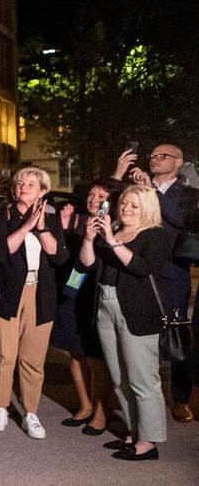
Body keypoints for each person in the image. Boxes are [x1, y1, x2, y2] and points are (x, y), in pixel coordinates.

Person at [78, 185, 171, 461]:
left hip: (136, 310)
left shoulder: (155, 235)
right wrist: (88, 238)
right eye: (124, 204)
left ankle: (149, 441)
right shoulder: (115, 229)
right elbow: (86, 265)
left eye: (134, 205)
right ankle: (134, 431)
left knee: (143, 379)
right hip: (105, 305)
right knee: (119, 378)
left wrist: (112, 240)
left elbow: (142, 268)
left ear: (148, 209)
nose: (126, 209)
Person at [116, 143, 199, 423]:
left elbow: (178, 222)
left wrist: (150, 192)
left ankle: (181, 399)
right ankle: (139, 397)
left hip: (172, 275)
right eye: (152, 156)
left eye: (162, 156)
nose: (154, 159)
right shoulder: (140, 188)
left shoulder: (189, 196)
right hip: (139, 272)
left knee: (175, 337)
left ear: (178, 162)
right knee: (138, 335)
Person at [0, 166, 69, 440]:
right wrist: (26, 227)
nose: (23, 186)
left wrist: (42, 226)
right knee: (3, 354)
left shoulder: (51, 219)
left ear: (43, 191)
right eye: (20, 183)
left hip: (40, 294)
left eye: (30, 184)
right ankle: (0, 407)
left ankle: (31, 412)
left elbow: (58, 256)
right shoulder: (3, 213)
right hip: (7, 293)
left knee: (33, 359)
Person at [51, 180, 118, 436]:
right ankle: (85, 405)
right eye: (91, 194)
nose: (93, 198)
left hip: (96, 292)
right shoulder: (75, 219)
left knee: (96, 357)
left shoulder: (113, 222)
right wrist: (66, 227)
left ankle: (101, 411)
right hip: (72, 291)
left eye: (101, 195)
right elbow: (63, 256)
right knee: (75, 352)